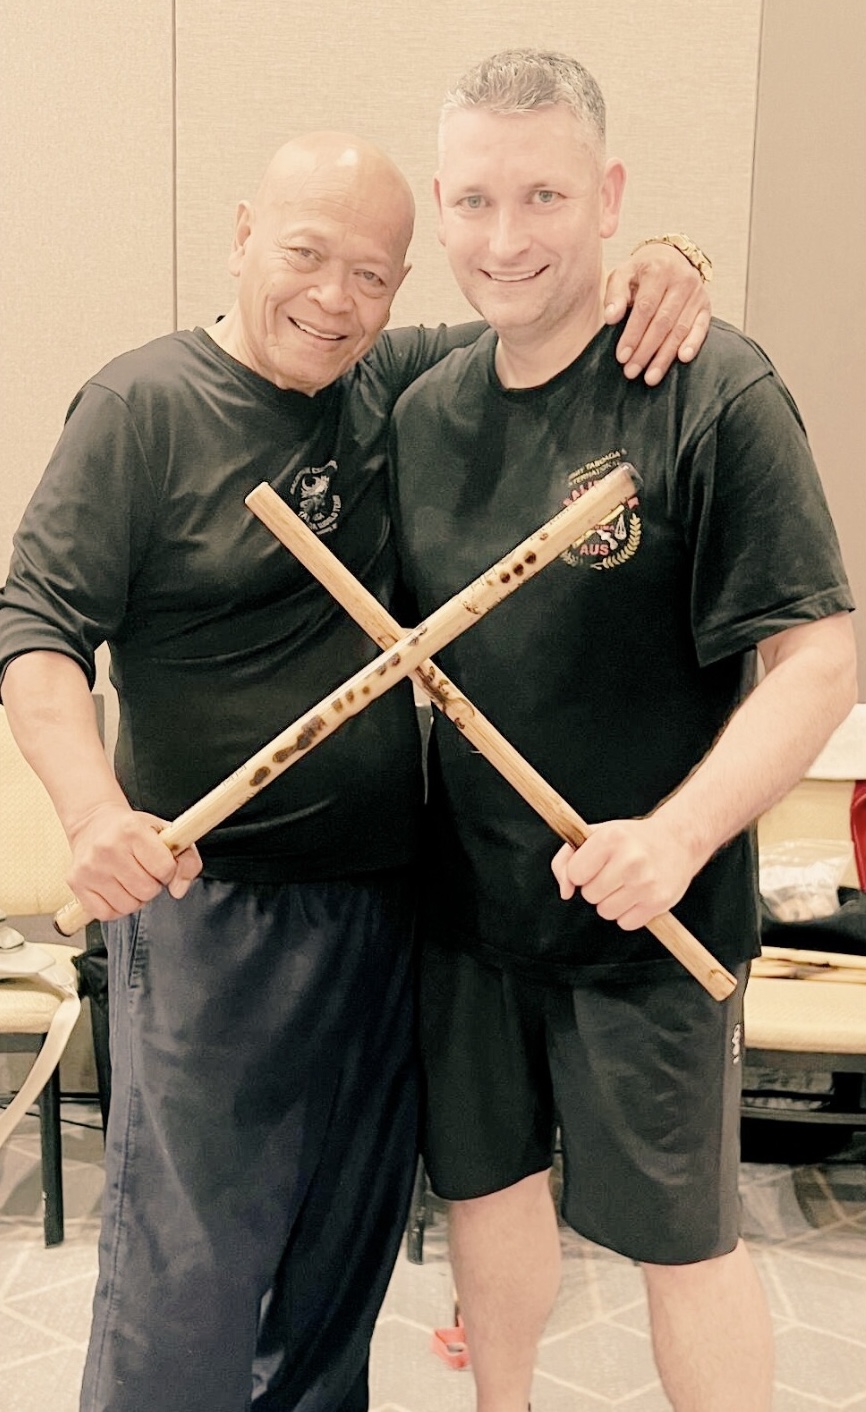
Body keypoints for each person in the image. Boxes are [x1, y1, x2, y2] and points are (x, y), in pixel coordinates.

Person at [0, 125, 712, 1412]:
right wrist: (92, 810)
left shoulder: (388, 384)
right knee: (191, 1272)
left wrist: (663, 259)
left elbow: (544, 312)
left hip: (388, 905)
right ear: (240, 236)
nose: (334, 299)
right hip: (210, 908)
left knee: (342, 1253)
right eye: (305, 256)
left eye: (372, 275)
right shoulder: (139, 407)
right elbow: (36, 628)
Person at [388, 49, 858, 1412]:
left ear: (606, 196)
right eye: (473, 201)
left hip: (655, 923)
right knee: (485, 1197)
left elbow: (820, 659)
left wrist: (675, 837)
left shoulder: (711, 386)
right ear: (439, 206)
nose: (505, 238)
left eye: (542, 196)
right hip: (469, 915)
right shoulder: (419, 406)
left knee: (681, 1245)